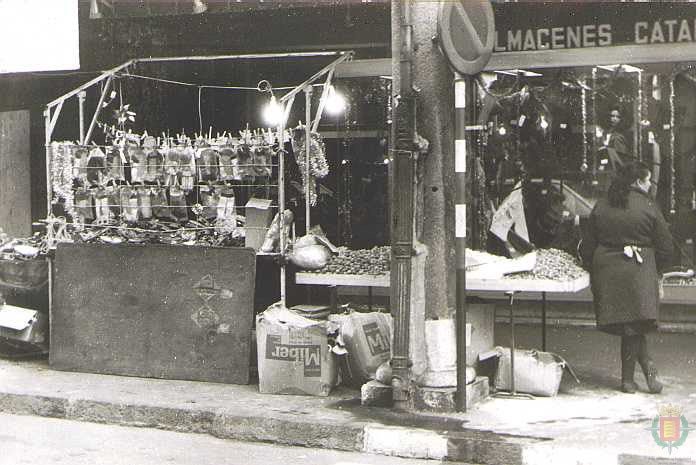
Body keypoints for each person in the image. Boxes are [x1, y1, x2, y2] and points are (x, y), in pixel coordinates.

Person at [580, 161, 673, 394]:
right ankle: (644, 374)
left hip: (607, 271)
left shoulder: (602, 204)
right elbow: (666, 247)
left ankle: (630, 380)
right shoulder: (648, 205)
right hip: (638, 271)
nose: (650, 186)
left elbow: (587, 245)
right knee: (634, 324)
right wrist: (658, 271)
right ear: (639, 181)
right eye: (648, 180)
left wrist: (593, 269)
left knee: (630, 325)